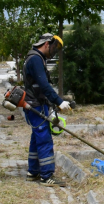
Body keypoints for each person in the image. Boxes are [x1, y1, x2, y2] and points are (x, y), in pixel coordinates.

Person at [22, 33, 71, 187]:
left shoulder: (35, 57)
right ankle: (46, 176)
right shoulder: (36, 59)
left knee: (36, 138)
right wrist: (59, 101)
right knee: (44, 139)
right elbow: (44, 85)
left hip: (36, 103)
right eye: (54, 48)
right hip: (35, 105)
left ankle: (33, 171)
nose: (54, 52)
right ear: (46, 44)